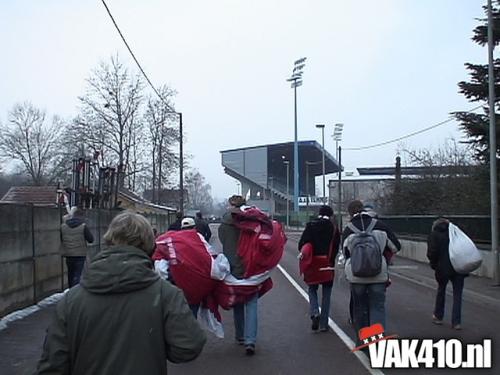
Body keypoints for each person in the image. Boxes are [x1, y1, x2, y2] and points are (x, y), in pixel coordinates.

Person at [37, 211, 206, 375]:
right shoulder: (166, 294)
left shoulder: (71, 300)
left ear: (109, 240)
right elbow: (188, 345)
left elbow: (52, 365)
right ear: (149, 245)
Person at [342, 200, 401, 342]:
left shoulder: (349, 229)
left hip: (356, 276)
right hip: (378, 274)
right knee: (377, 307)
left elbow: (345, 254)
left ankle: (362, 341)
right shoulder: (380, 226)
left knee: (359, 308)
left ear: (351, 213)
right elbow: (396, 247)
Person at [218, 195, 258, 355]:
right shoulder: (252, 221)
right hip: (250, 266)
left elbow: (223, 241)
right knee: (252, 303)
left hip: (232, 266)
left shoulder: (224, 224)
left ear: (230, 205)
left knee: (238, 303)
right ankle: (250, 340)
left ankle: (240, 335)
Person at [298, 205, 340, 332]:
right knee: (326, 294)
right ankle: (323, 324)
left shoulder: (310, 226)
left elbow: (302, 244)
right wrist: (331, 260)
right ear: (331, 215)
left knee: (312, 289)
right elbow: (337, 246)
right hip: (327, 263)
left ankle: (314, 312)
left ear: (319, 214)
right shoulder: (333, 228)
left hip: (312, 263)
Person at [427, 218, 466, 330]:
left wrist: (434, 265)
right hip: (459, 267)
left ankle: (438, 316)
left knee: (441, 291)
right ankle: (456, 322)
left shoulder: (434, 235)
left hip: (442, 268)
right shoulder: (456, 234)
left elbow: (432, 253)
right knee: (457, 295)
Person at [60, 207, 94, 287]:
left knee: (70, 273)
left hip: (68, 254)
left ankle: (70, 290)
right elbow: (91, 239)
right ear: (81, 216)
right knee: (77, 274)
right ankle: (75, 292)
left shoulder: (63, 227)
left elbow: (62, 239)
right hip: (80, 254)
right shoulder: (83, 226)